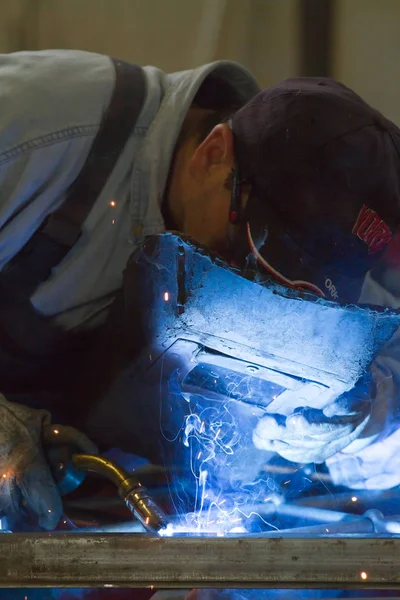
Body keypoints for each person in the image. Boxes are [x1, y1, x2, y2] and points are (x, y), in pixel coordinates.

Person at [0, 47, 399, 538]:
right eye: (253, 257)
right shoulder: (37, 128)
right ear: (213, 156)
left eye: (298, 292)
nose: (256, 294)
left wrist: (367, 415)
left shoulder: (344, 261)